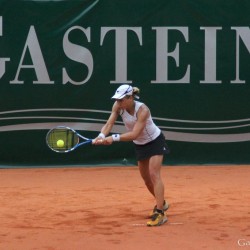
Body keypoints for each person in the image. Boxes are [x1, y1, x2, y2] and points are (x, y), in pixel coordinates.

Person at [92, 84, 170, 226]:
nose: (119, 102)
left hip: (155, 141)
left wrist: (113, 138)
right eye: (118, 100)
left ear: (130, 98)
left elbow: (135, 134)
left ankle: (160, 213)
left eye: (121, 100)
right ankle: (162, 203)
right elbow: (109, 123)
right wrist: (101, 135)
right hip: (140, 145)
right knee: (146, 180)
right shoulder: (117, 106)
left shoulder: (143, 110)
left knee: (154, 175)